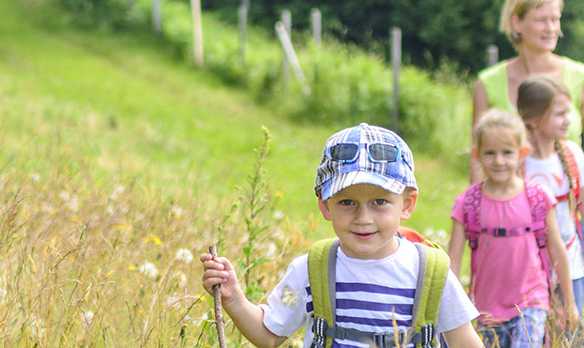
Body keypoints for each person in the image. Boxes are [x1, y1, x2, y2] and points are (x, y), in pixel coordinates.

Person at [200, 123, 484, 348]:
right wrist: (234, 298)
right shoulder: (308, 272)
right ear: (325, 205)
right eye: (347, 202)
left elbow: (465, 343)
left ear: (407, 204)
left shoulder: (432, 273)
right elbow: (269, 334)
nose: (363, 218)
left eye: (379, 202)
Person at [472, 0, 584, 258]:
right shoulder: (487, 84)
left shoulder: (582, 77)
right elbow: (477, 157)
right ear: (516, 22)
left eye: (556, 19)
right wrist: (477, 216)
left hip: (567, 220)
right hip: (509, 223)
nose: (552, 28)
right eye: (542, 20)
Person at [448, 109, 578, 348]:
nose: (498, 161)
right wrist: (452, 312)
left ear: (522, 153)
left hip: (531, 302)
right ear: (477, 155)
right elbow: (452, 263)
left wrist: (569, 303)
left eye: (507, 153)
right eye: (490, 153)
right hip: (484, 309)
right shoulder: (468, 203)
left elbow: (557, 250)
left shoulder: (538, 197)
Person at [517, 76, 584, 344]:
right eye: (560, 113)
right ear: (535, 120)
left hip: (570, 265)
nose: (568, 120)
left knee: (569, 333)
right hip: (527, 271)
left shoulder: (572, 154)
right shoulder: (517, 163)